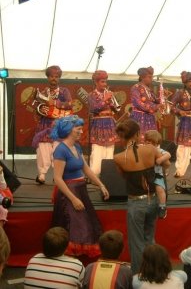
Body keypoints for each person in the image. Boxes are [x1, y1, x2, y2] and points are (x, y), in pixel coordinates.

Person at [50, 115, 109, 258]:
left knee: (85, 227)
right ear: (69, 130)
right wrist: (73, 199)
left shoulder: (76, 146)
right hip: (69, 192)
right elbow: (57, 178)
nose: (81, 132)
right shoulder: (60, 150)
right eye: (78, 129)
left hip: (80, 189)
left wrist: (101, 185)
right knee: (77, 228)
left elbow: (86, 169)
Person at [114, 118, 163, 274]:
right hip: (153, 200)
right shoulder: (150, 149)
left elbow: (124, 176)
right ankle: (154, 272)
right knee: (150, 239)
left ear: (122, 136)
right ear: (137, 134)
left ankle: (139, 275)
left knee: (136, 243)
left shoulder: (119, 158)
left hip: (136, 203)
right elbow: (164, 165)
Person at [32, 65, 73, 184]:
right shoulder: (43, 92)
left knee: (58, 150)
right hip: (45, 125)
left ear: (59, 78)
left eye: (56, 76)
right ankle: (42, 175)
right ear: (48, 77)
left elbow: (70, 104)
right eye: (51, 76)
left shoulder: (64, 91)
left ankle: (58, 175)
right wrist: (40, 107)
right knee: (43, 149)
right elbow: (36, 107)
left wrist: (54, 103)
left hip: (59, 124)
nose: (54, 79)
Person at [88, 70, 119, 175]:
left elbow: (116, 109)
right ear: (96, 82)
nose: (105, 84)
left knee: (109, 151)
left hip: (109, 124)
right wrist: (105, 100)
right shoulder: (91, 95)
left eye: (105, 82)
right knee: (97, 151)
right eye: (102, 82)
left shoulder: (108, 94)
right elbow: (94, 108)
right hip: (98, 124)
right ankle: (94, 174)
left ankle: (107, 175)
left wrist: (112, 104)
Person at [129, 66, 162, 143]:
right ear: (143, 77)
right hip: (139, 117)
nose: (151, 79)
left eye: (152, 77)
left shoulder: (149, 90)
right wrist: (155, 107)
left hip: (150, 118)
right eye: (149, 77)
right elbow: (138, 104)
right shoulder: (135, 88)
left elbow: (156, 100)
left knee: (151, 139)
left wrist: (163, 96)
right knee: (140, 140)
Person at [144, 130, 171, 219]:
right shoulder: (143, 149)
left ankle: (162, 206)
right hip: (145, 175)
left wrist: (161, 159)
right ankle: (146, 205)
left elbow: (168, 154)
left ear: (156, 144)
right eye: (147, 142)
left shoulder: (159, 150)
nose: (149, 144)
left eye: (151, 143)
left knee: (159, 189)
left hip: (156, 175)